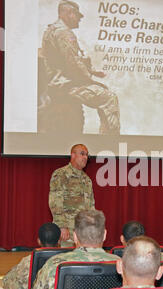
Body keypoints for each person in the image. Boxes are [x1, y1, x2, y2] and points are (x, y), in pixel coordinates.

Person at [39, 0, 120, 135]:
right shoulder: (64, 33)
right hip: (66, 85)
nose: (79, 19)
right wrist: (91, 79)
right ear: (68, 13)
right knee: (110, 98)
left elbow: (62, 60)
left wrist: (92, 71)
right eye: (77, 15)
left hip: (57, 82)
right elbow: (74, 64)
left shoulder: (51, 30)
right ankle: (110, 141)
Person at [49, 143, 95, 247]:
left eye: (87, 155)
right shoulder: (61, 174)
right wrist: (61, 226)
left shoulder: (86, 179)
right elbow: (55, 202)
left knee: (84, 260)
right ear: (73, 155)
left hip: (84, 230)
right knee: (68, 261)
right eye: (82, 154)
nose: (85, 157)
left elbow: (91, 205)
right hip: (68, 231)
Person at [2, 223, 61, 289]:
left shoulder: (28, 262)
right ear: (59, 241)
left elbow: (7, 282)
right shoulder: (69, 260)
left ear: (39, 241)